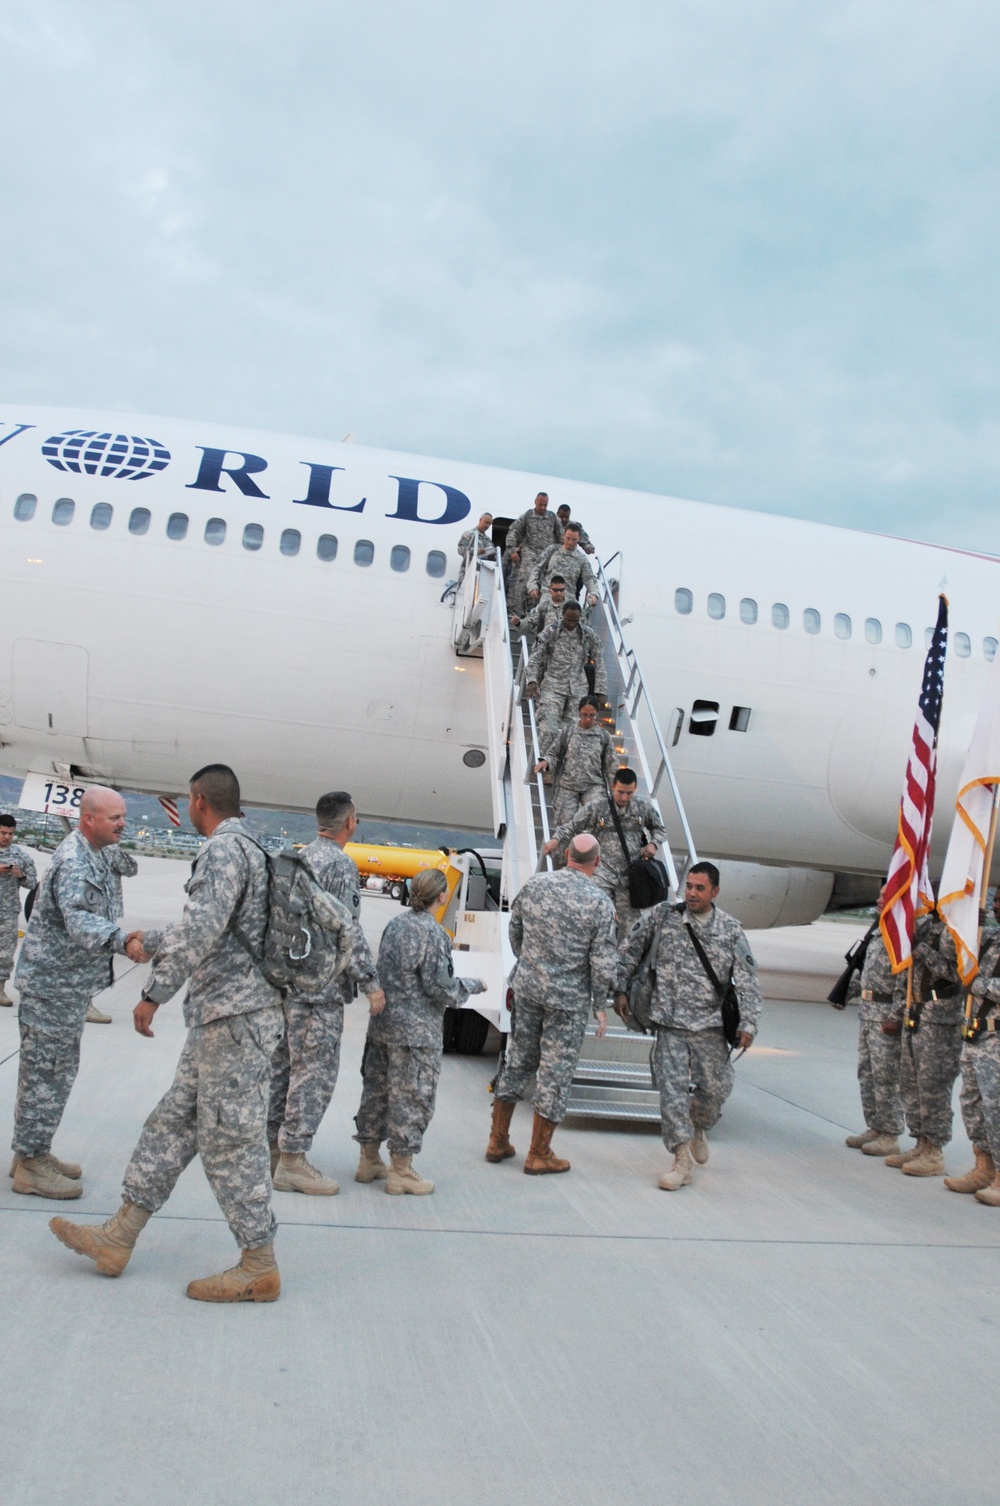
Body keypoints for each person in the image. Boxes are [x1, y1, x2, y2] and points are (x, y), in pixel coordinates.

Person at [49, 764, 286, 1303]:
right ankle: (119, 1236)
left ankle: (259, 1264)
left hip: (236, 1021)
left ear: (199, 800)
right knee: (173, 1122)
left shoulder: (225, 851)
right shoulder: (253, 848)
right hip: (223, 1020)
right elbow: (210, 928)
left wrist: (155, 992)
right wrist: (143, 940)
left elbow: (202, 931)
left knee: (231, 1142)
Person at [10, 788, 145, 1199]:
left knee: (48, 1074)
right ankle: (31, 1164)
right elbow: (81, 922)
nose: (123, 823)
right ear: (88, 819)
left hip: (63, 986)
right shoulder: (74, 860)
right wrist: (124, 942)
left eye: (123, 816)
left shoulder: (97, 852)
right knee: (47, 1076)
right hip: (53, 988)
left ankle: (31, 1152)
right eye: (114, 818)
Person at [615, 862, 761, 1190]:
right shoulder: (663, 917)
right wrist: (620, 988)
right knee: (672, 1093)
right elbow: (629, 950)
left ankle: (699, 1126)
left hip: (709, 1027)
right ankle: (681, 1160)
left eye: (699, 888)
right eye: (689, 887)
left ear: (715, 892)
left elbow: (748, 980)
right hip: (669, 1022)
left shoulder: (731, 929)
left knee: (716, 1090)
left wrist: (749, 1022)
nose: (691, 893)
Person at [268, 791, 384, 1195]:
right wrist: (371, 983)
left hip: (285, 986)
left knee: (282, 1070)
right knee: (313, 1075)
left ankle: (272, 1151)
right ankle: (293, 1161)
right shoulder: (340, 866)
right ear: (349, 822)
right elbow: (347, 931)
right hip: (320, 992)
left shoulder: (296, 859)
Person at [486, 834, 616, 1174]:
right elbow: (602, 961)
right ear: (597, 863)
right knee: (554, 1074)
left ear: (566, 855)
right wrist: (600, 1003)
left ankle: (497, 1140)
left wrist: (531, 964)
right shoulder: (600, 903)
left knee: (517, 1061)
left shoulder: (536, 885)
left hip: (528, 989)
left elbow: (515, 931)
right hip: (567, 1000)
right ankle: (539, 1153)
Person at [353, 868, 486, 1195]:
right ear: (442, 897)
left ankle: (368, 1159)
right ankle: (401, 1170)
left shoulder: (395, 925)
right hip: (416, 1033)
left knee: (377, 1091)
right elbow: (440, 988)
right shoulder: (435, 934)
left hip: (383, 1027)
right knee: (412, 1097)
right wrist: (473, 985)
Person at [545, 768, 666, 939]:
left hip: (629, 878)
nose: (624, 798)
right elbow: (572, 826)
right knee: (598, 916)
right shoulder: (598, 807)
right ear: (612, 787)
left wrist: (653, 844)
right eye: (620, 792)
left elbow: (660, 829)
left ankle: (624, 960)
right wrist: (555, 840)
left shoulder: (642, 808)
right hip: (602, 872)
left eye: (629, 793)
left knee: (631, 927)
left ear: (635, 790)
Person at [887, 911, 962, 1177]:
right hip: (916, 1012)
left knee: (933, 1087)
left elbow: (958, 973)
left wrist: (922, 950)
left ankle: (934, 1151)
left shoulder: (958, 929)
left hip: (940, 1018)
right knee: (910, 1083)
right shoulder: (926, 927)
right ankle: (920, 1142)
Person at [843, 884, 906, 1159]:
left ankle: (890, 1133)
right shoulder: (879, 932)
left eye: (884, 895)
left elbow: (905, 981)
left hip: (885, 1015)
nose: (879, 899)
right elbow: (869, 975)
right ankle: (875, 1127)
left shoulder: (899, 936)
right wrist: (846, 992)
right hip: (868, 1013)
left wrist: (897, 1015)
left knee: (885, 1076)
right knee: (867, 1073)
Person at [945, 905, 1000, 1203]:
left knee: (997, 1109)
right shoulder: (988, 939)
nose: (997, 906)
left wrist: (980, 985)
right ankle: (984, 1167)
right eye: (997, 899)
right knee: (972, 1105)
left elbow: (974, 981)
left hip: (997, 1037)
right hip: (975, 1034)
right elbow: (958, 966)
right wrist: (966, 928)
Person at [525, 601, 607, 743]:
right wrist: (532, 680)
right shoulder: (551, 631)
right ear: (562, 615)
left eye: (575, 620)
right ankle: (543, 762)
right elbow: (535, 658)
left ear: (580, 617)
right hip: (553, 687)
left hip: (578, 690)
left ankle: (562, 763)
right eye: (568, 620)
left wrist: (601, 691)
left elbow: (599, 662)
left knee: (572, 733)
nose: (571, 623)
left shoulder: (587, 635)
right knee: (548, 730)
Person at [535, 697, 620, 827]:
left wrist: (616, 788)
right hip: (568, 785)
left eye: (592, 715)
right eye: (584, 715)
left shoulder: (603, 736)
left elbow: (611, 765)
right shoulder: (568, 731)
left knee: (597, 815)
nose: (587, 719)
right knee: (564, 824)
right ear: (579, 713)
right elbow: (554, 753)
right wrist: (546, 762)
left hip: (593, 785)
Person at [84, 843, 139, 1024]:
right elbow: (131, 868)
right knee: (91, 959)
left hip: (91, 910)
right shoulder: (110, 849)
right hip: (99, 913)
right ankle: (85, 1005)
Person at [504, 492, 562, 616]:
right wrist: (512, 550)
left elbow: (561, 538)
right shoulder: (527, 516)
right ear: (535, 502)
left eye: (545, 505)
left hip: (546, 555)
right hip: (530, 551)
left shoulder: (552, 517)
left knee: (544, 584)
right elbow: (513, 531)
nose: (542, 508)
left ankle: (535, 614)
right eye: (540, 504)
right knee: (525, 580)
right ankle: (517, 612)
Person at [0, 814, 37, 1008]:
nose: (6, 837)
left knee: (5, 953)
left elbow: (32, 883)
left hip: (7, 912)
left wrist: (19, 875)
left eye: (10, 834)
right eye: (3, 832)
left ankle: (0, 988)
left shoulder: (20, 856)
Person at [527, 524, 597, 609]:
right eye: (568, 538)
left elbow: (589, 578)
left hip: (568, 598)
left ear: (578, 539)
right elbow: (537, 568)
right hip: (548, 595)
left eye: (574, 540)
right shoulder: (552, 550)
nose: (570, 542)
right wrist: (532, 585)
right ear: (564, 536)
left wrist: (594, 594)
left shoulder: (581, 559)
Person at [456, 512, 496, 585]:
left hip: (482, 576)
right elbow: (460, 549)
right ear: (480, 520)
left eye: (489, 524)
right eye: (486, 522)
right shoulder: (469, 534)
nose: (487, 526)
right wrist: (474, 551)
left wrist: (492, 556)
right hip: (467, 574)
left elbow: (494, 555)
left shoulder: (487, 540)